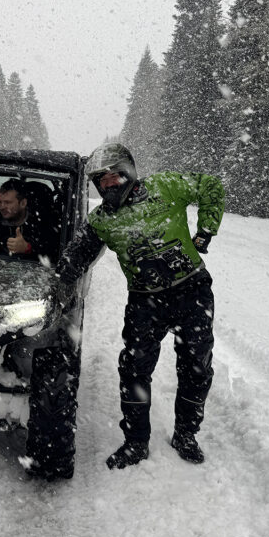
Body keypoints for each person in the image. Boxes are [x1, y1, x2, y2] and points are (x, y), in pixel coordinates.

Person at [55, 143, 224, 470]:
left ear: (129, 172)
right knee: (133, 370)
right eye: (100, 181)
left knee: (197, 368)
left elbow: (210, 186)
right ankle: (135, 442)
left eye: (113, 177)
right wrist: (56, 283)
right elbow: (76, 257)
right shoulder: (101, 220)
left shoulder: (165, 186)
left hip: (192, 290)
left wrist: (205, 231)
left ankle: (186, 435)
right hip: (145, 300)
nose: (108, 185)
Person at [0, 178, 58, 262]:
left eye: (7, 202)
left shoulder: (41, 224)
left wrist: (28, 248)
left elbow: (55, 253)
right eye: (0, 201)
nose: (1, 207)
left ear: (23, 203)